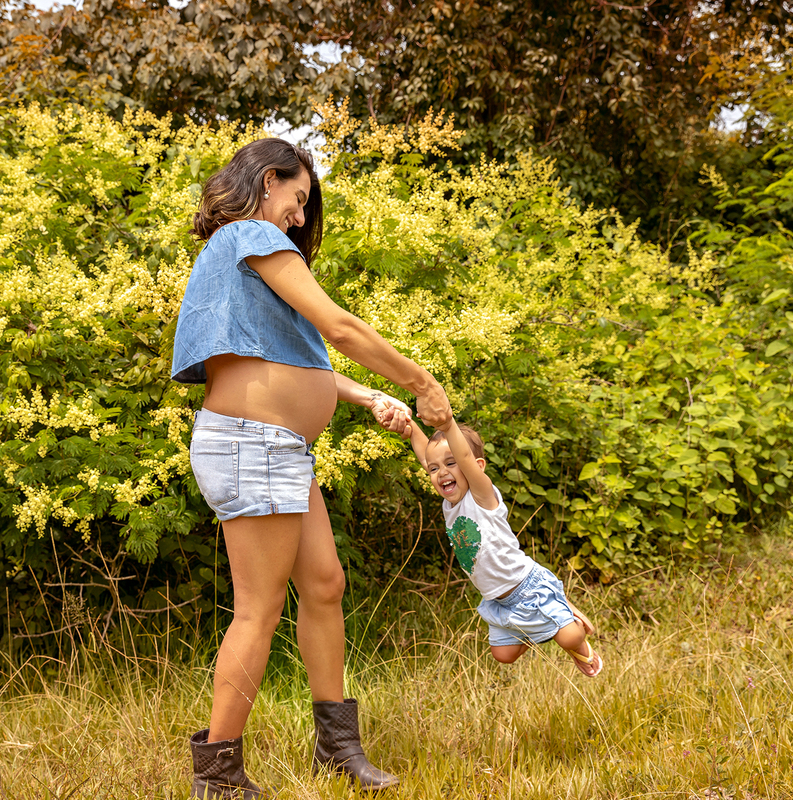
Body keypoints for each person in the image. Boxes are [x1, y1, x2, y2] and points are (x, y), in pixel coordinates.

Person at [171, 137, 452, 798]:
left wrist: (361, 393)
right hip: (253, 441)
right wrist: (419, 380)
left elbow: (279, 356)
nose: (299, 217)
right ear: (269, 181)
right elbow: (339, 327)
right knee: (259, 610)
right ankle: (217, 777)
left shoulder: (239, 254)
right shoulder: (249, 235)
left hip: (277, 446)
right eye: (297, 199)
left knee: (325, 583)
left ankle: (338, 749)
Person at [400, 417, 604, 676]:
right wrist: (410, 428)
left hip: (528, 587)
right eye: (434, 469)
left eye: (451, 463)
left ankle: (569, 621)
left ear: (477, 467)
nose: (441, 473)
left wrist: (448, 423)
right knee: (503, 655)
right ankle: (538, 628)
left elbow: (464, 457)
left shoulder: (482, 495)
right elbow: (425, 455)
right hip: (498, 600)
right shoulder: (449, 505)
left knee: (569, 638)